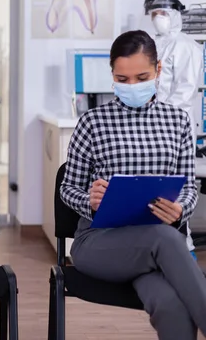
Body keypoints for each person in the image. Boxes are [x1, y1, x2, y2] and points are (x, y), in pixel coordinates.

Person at [60, 30, 206, 339]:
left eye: (141, 77)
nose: (132, 86)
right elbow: (68, 188)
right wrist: (90, 200)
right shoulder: (93, 122)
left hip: (155, 246)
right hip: (99, 243)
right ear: (112, 74)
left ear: (158, 71)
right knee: (166, 239)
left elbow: (189, 188)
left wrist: (180, 209)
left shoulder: (178, 121)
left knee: (171, 304)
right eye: (122, 79)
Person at [145, 0, 204, 260]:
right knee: (152, 192)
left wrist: (161, 117)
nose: (158, 19)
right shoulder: (153, 46)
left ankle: (184, 251)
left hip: (174, 128)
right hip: (152, 127)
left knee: (175, 193)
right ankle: (159, 250)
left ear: (177, 15)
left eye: (164, 13)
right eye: (154, 13)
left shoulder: (187, 46)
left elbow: (185, 91)